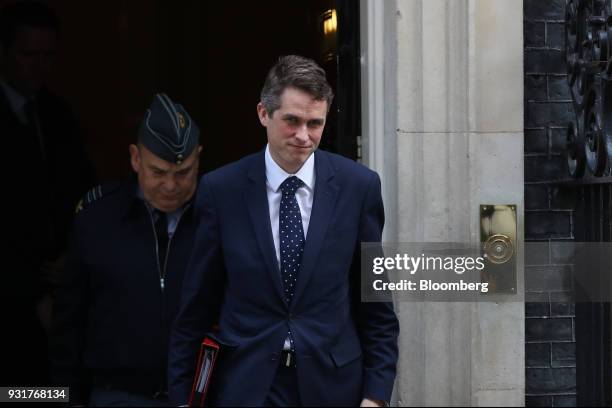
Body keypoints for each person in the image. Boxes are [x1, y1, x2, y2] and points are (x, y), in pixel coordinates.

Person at [169, 55, 399, 407]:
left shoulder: (359, 187)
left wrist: (376, 396)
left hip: (334, 386)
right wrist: (183, 398)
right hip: (246, 387)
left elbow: (377, 304)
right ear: (264, 113)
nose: (304, 136)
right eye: (292, 121)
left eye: (315, 123)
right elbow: (196, 307)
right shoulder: (221, 190)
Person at [49, 93, 202, 406]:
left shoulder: (219, 219)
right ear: (135, 159)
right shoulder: (98, 221)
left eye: (184, 172)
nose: (171, 186)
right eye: (158, 172)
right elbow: (68, 327)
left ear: (198, 157)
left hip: (198, 395)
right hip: (117, 395)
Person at [0, 1, 95, 386]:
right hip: (11, 294)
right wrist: (30, 290)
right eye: (27, 54)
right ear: (3, 52)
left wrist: (76, 252)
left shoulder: (57, 115)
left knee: (48, 391)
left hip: (60, 287)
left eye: (47, 56)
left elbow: (84, 191)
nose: (38, 65)